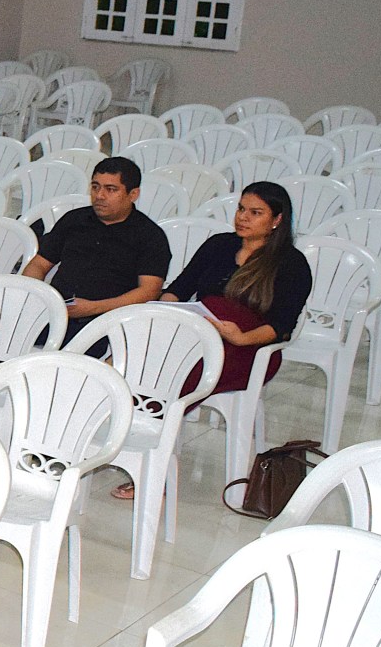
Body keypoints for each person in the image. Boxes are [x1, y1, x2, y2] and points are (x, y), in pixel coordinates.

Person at [109, 181, 312, 500]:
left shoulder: (291, 263)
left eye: (255, 213)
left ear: (277, 220)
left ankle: (154, 466)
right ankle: (131, 436)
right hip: (199, 341)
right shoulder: (219, 245)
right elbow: (180, 288)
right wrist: (164, 308)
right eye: (241, 209)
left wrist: (241, 337)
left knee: (170, 373)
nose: (243, 217)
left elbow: (282, 326)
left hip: (249, 350)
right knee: (149, 351)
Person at [19, 156, 172, 345]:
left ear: (133, 194)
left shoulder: (150, 236)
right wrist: (35, 295)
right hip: (54, 310)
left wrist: (93, 308)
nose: (99, 195)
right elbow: (39, 264)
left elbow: (149, 290)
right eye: (95, 187)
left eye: (111, 189)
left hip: (107, 322)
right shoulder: (74, 220)